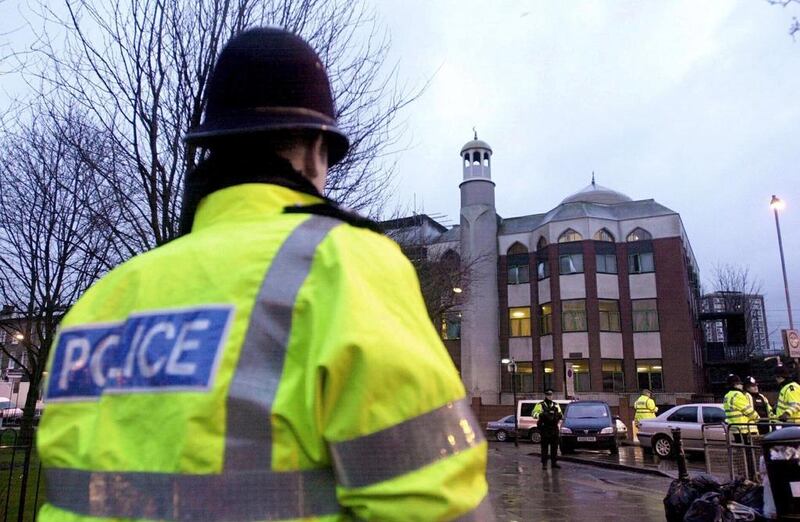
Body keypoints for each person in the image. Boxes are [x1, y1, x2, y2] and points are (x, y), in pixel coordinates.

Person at [36, 28, 492, 522]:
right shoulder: (343, 265)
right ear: (318, 151)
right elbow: (436, 505)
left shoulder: (100, 300)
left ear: (213, 146)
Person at [723, 374, 759, 477]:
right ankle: (751, 475)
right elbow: (749, 411)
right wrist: (758, 418)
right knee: (750, 455)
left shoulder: (727, 396)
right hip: (745, 429)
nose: (741, 386)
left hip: (735, 430)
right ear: (736, 384)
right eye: (740, 384)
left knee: (741, 454)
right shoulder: (738, 395)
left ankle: (744, 475)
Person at [533, 390, 563, 469]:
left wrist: (556, 416)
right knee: (544, 447)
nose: (549, 396)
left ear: (552, 395)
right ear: (545, 395)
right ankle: (544, 464)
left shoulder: (556, 405)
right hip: (545, 428)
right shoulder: (540, 404)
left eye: (551, 395)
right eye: (548, 395)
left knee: (555, 447)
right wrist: (541, 414)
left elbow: (561, 415)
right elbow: (533, 414)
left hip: (554, 428)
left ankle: (554, 463)